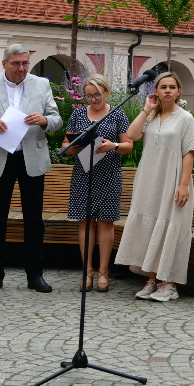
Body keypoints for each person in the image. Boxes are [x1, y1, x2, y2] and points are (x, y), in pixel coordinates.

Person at [0, 44, 61, 293]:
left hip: (31, 157)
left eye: (25, 63)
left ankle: (35, 275)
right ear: (5, 63)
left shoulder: (41, 84)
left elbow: (57, 119)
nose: (21, 68)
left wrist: (44, 121)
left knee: (34, 220)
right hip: (0, 156)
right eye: (16, 64)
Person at [117, 72, 194, 302]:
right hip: (149, 178)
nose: (168, 91)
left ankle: (169, 282)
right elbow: (131, 136)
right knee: (151, 224)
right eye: (163, 87)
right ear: (156, 91)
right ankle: (152, 278)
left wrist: (184, 185)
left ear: (179, 91)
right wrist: (146, 109)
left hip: (172, 179)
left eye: (172, 87)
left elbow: (189, 152)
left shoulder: (185, 119)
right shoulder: (151, 116)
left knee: (169, 225)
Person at [63, 73, 134, 291]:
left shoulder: (117, 113)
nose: (93, 100)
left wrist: (113, 146)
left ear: (106, 92)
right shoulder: (77, 115)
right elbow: (66, 142)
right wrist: (71, 148)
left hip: (109, 173)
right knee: (85, 221)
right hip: (84, 173)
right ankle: (87, 271)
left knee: (105, 222)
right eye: (89, 96)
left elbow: (129, 145)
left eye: (97, 95)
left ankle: (104, 272)